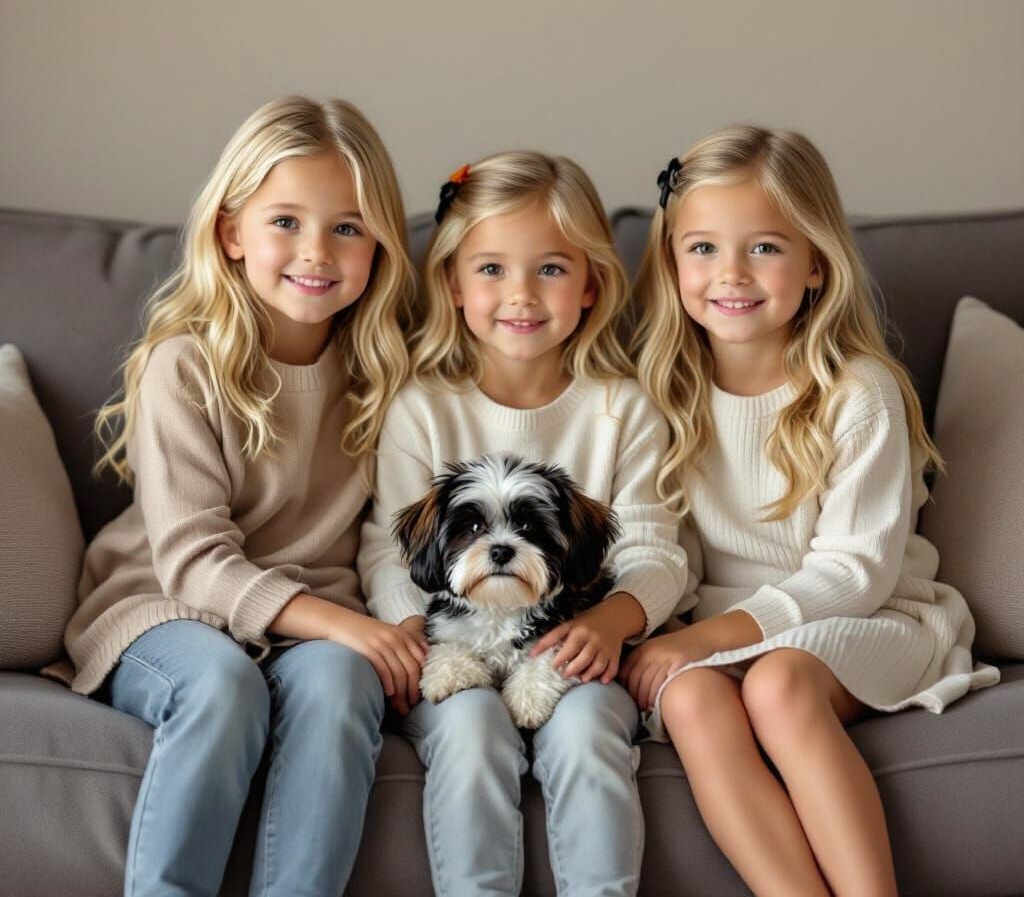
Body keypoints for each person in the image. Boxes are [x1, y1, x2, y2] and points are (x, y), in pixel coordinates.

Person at [622, 124, 1000, 897]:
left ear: (817, 264)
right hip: (718, 629)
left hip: (872, 618)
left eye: (764, 247)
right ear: (670, 262)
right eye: (702, 248)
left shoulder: (857, 391)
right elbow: (652, 541)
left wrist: (706, 637)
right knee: (690, 695)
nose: (731, 274)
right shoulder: (660, 393)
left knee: (779, 685)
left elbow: (855, 573)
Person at [58, 96, 421, 896]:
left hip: (316, 620)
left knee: (341, 686)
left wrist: (373, 630)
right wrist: (345, 624)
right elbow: (191, 562)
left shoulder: (388, 376)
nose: (316, 251)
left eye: (348, 227)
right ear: (231, 234)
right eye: (284, 221)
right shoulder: (185, 365)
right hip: (167, 607)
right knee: (223, 685)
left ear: (380, 246)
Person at [357, 151, 689, 897]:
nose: (521, 295)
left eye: (550, 269)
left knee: (590, 734)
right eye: (492, 269)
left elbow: (657, 547)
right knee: (471, 735)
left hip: (580, 644)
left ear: (591, 283)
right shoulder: (421, 407)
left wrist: (615, 620)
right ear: (451, 283)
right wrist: (415, 628)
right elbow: (387, 547)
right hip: (453, 642)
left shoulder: (621, 408)